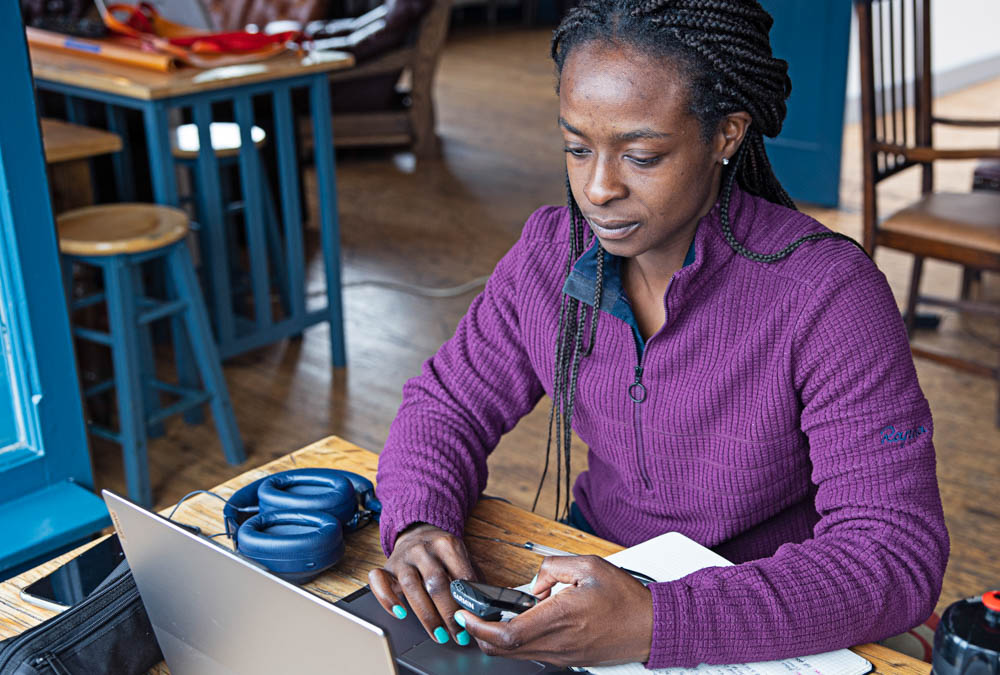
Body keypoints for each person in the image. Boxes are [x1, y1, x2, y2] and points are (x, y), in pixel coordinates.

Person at [368, 0, 949, 668]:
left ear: (727, 134)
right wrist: (418, 520)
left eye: (642, 155)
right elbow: (446, 403)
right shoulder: (549, 254)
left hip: (767, 608)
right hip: (602, 563)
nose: (597, 187)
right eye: (577, 147)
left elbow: (893, 552)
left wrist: (660, 619)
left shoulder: (828, 295)